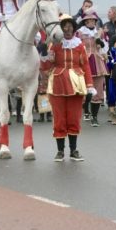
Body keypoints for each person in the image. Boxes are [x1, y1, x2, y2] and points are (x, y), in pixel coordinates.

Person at [40, 15, 94, 162]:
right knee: (59, 118)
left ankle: (74, 150)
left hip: (76, 83)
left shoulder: (79, 45)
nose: (67, 30)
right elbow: (45, 67)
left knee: (74, 117)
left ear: (74, 29)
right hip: (57, 82)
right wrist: (44, 54)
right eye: (65, 27)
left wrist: (89, 85)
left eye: (70, 27)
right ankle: (60, 151)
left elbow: (85, 66)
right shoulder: (54, 45)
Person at [76, 8, 107, 126]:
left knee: (98, 90)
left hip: (97, 61)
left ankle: (94, 117)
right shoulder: (79, 33)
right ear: (85, 21)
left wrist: (101, 42)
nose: (91, 22)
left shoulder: (99, 32)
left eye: (93, 20)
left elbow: (104, 48)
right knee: (84, 89)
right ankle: (86, 110)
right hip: (84, 61)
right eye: (88, 20)